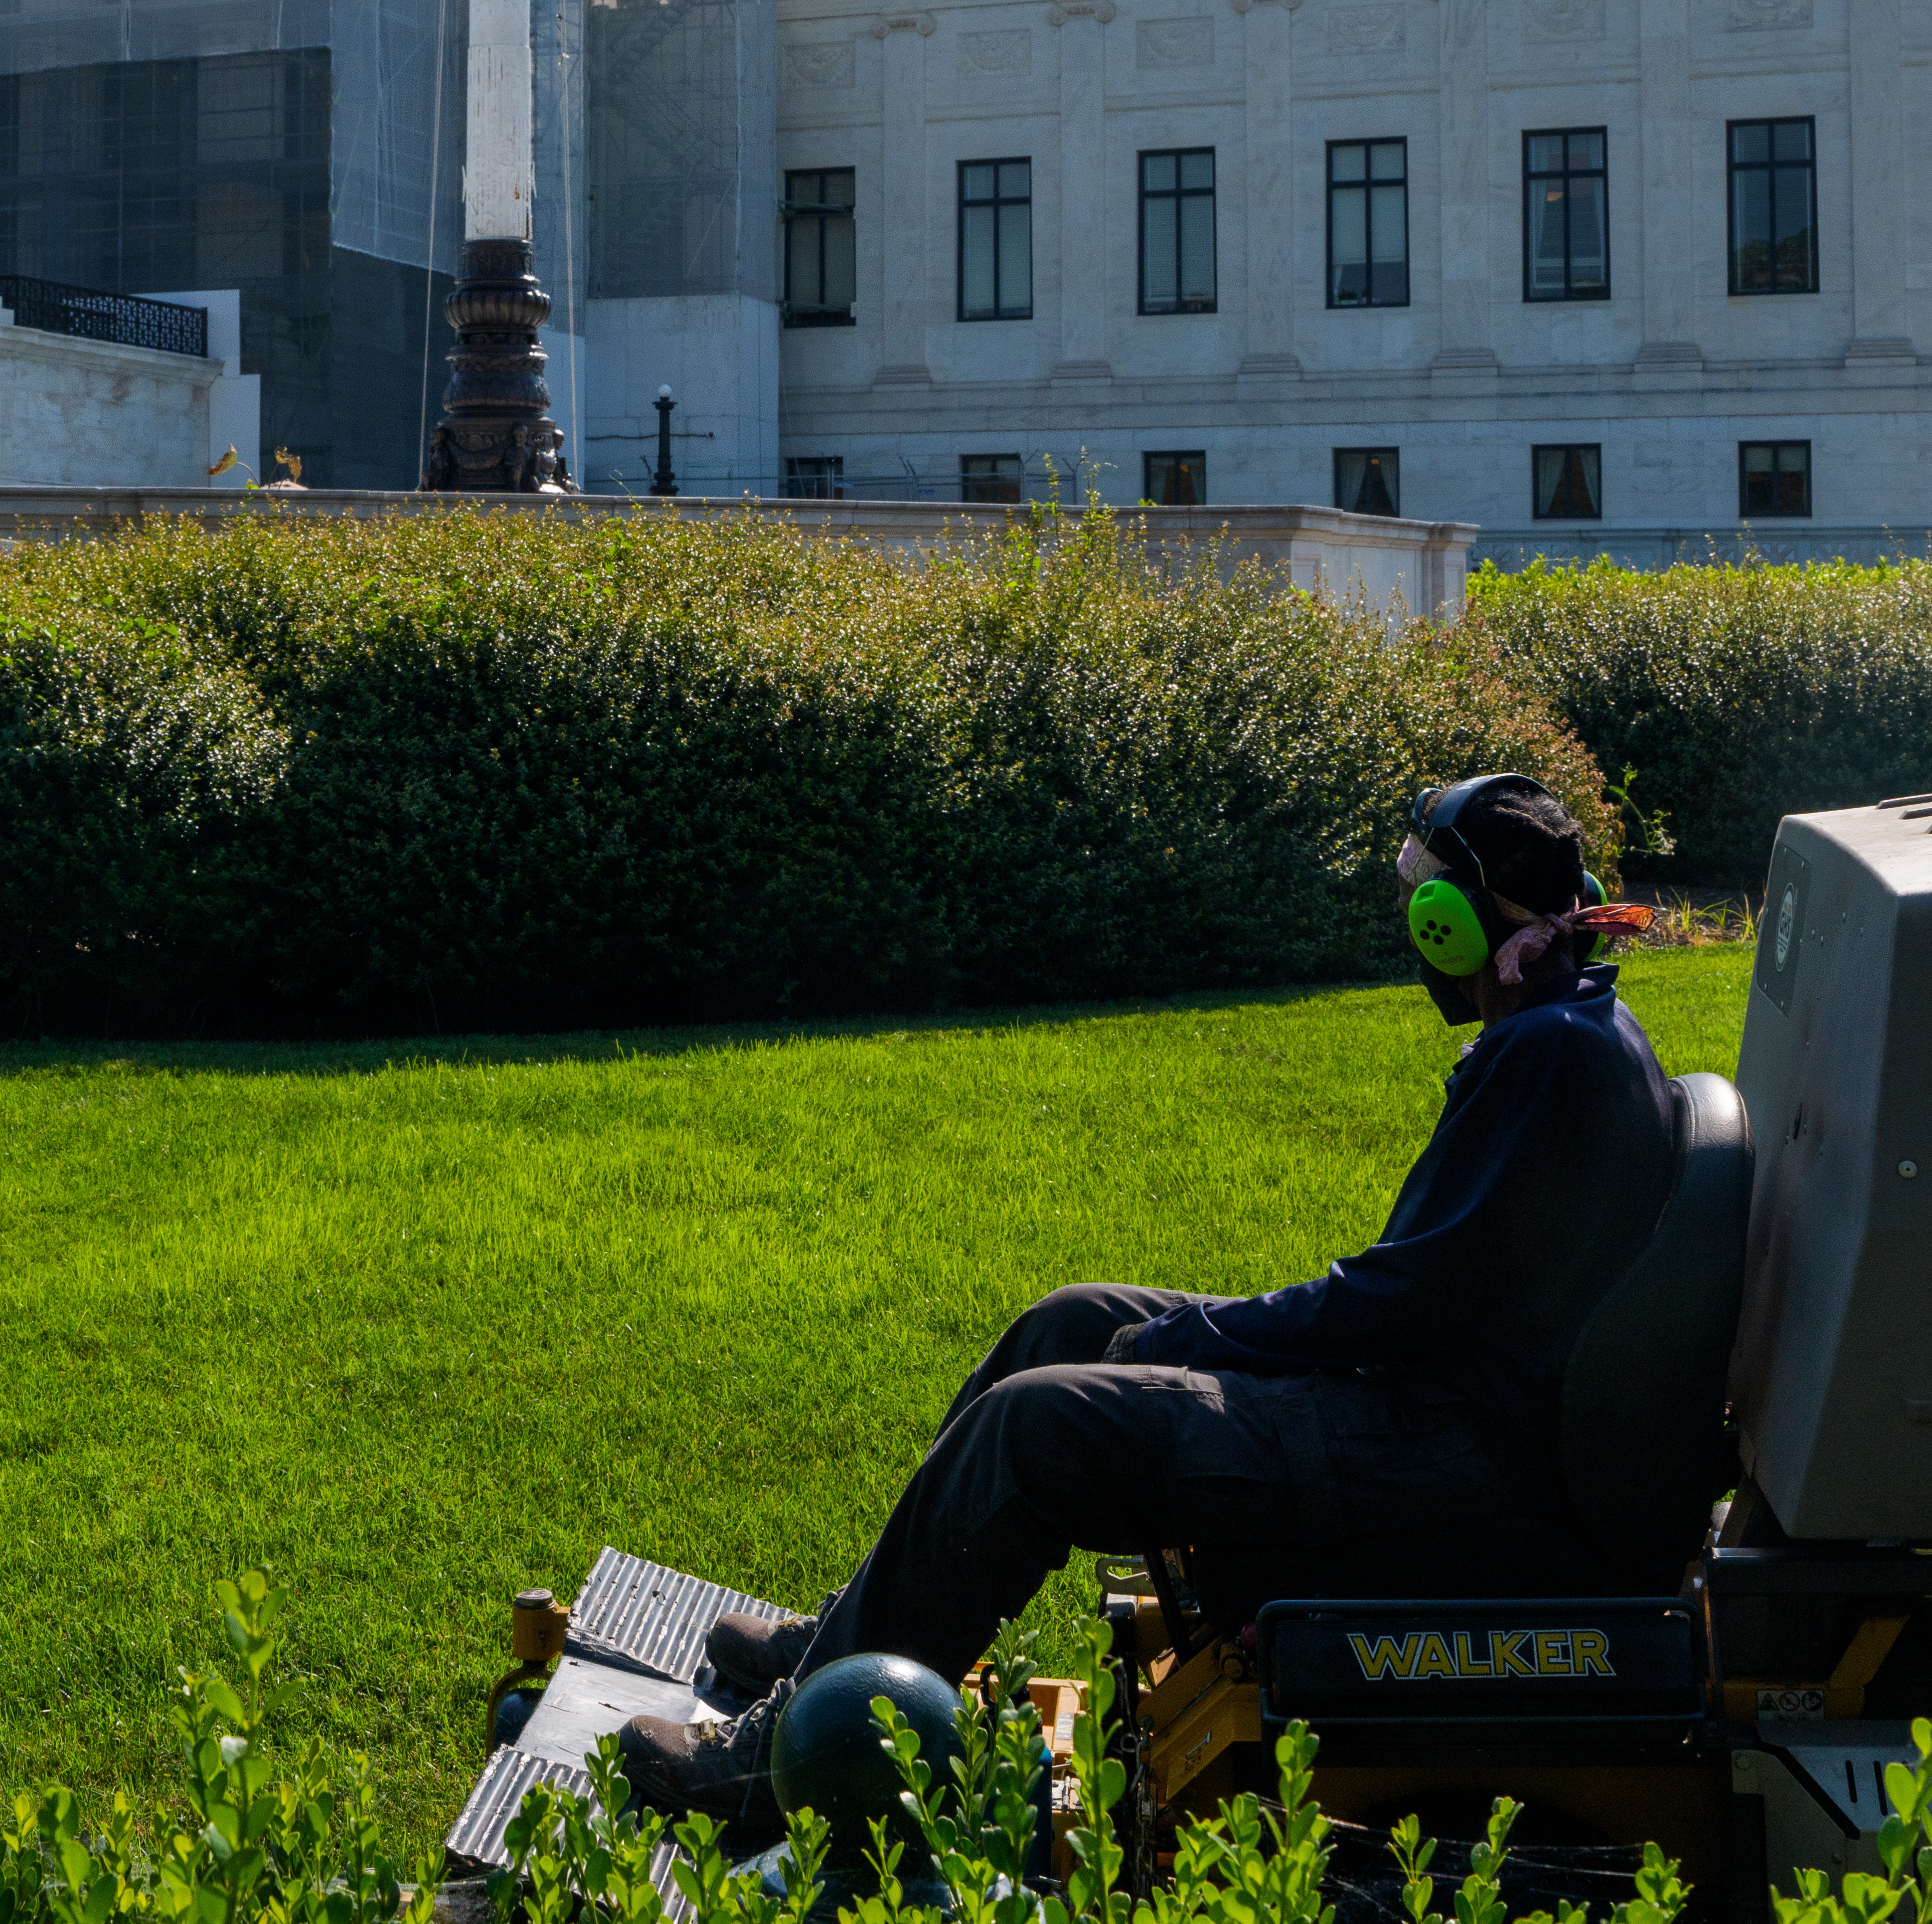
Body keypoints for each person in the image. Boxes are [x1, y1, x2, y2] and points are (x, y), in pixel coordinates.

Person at [615, 774, 1670, 1842]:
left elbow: (1394, 1307)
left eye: (1422, 903)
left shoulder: (1546, 1054)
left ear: (1458, 926)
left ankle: (783, 1768)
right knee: (1071, 1321)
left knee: (1036, 1427)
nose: (1409, 926)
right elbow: (1421, 1296)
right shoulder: (1570, 1027)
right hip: (1447, 1403)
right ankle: (841, 1653)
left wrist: (1190, 1337)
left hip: (1448, 1443)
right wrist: (1190, 1335)